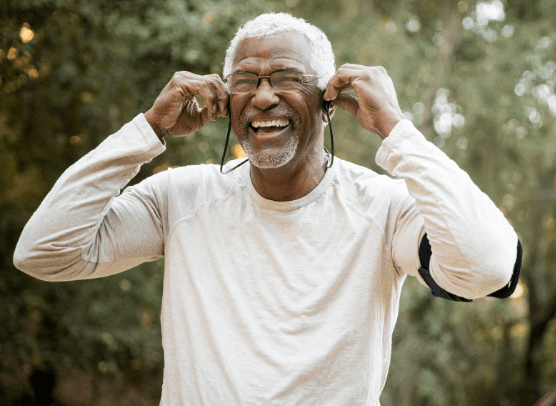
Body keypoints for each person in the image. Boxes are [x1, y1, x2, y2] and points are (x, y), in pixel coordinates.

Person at [14, 12, 521, 405]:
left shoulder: (384, 210)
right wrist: (149, 129)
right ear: (226, 101)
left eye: (285, 77)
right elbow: (43, 252)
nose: (262, 97)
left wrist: (396, 128)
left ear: (328, 99)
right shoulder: (180, 199)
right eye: (245, 81)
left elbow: (489, 267)